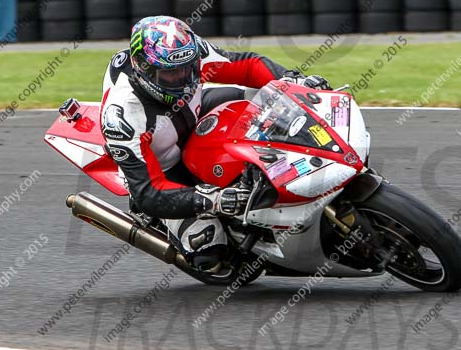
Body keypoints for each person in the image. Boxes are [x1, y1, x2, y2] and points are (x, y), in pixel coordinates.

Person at [100, 15, 328, 271]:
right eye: (171, 73)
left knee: (271, 99)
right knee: (210, 253)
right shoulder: (122, 116)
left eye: (187, 69)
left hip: (195, 112)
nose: (183, 78)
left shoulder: (189, 50)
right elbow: (148, 193)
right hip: (165, 169)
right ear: (146, 71)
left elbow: (247, 65)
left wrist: (291, 81)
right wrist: (213, 200)